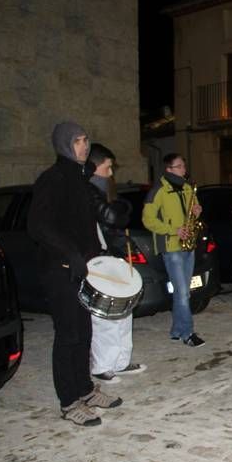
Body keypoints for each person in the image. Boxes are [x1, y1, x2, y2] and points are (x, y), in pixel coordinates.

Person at [28, 122, 122, 426]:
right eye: (78, 141)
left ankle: (85, 389)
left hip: (84, 270)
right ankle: (69, 402)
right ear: (65, 145)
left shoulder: (81, 180)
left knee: (84, 331)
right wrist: (70, 254)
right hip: (60, 271)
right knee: (67, 335)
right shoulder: (52, 179)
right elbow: (38, 226)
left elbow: (88, 226)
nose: (84, 146)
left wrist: (98, 257)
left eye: (85, 140)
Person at [87, 143, 147, 383]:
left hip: (114, 256)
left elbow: (118, 222)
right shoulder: (88, 194)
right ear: (94, 167)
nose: (111, 174)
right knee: (105, 317)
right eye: (107, 168)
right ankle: (102, 366)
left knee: (124, 313)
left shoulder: (105, 193)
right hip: (98, 261)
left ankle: (120, 362)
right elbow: (110, 219)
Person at [142, 153, 206, 347]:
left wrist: (197, 211)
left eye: (183, 166)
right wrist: (173, 230)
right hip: (171, 246)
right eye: (179, 166)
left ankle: (177, 330)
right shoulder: (158, 191)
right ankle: (188, 333)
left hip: (188, 243)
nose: (184, 169)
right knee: (182, 292)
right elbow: (148, 219)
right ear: (169, 169)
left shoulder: (188, 188)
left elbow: (192, 212)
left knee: (183, 291)